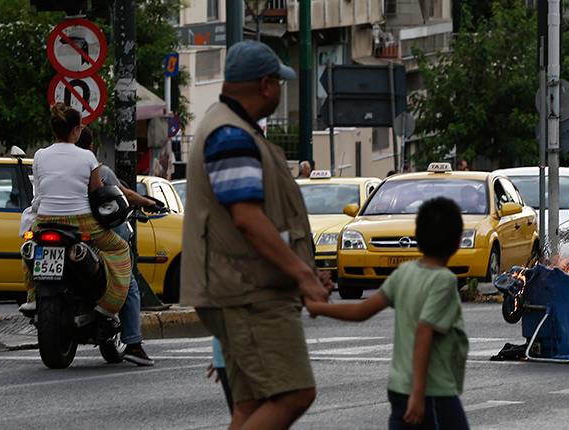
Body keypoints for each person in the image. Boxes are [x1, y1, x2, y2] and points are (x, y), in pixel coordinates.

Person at [180, 40, 331, 429]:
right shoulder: (232, 136)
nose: (280, 92)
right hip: (249, 292)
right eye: (279, 84)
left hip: (239, 287)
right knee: (295, 393)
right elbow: (247, 217)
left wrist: (304, 269)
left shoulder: (228, 127)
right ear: (266, 85)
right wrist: (300, 274)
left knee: (250, 406)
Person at [305, 197, 470, 430]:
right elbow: (425, 331)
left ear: (418, 237)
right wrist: (419, 392)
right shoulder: (444, 281)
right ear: (456, 242)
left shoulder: (405, 273)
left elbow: (362, 311)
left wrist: (318, 307)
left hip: (400, 388)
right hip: (433, 391)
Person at [19, 104, 132, 332]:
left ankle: (32, 297)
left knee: (29, 247)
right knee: (120, 249)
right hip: (80, 222)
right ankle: (107, 307)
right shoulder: (87, 157)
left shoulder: (40, 156)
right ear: (75, 131)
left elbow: (39, 193)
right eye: (80, 126)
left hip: (45, 220)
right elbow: (97, 194)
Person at [76, 127, 159, 366]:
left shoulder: (46, 159)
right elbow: (122, 194)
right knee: (128, 279)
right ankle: (133, 342)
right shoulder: (95, 167)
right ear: (90, 146)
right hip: (92, 229)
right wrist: (148, 202)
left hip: (53, 224)